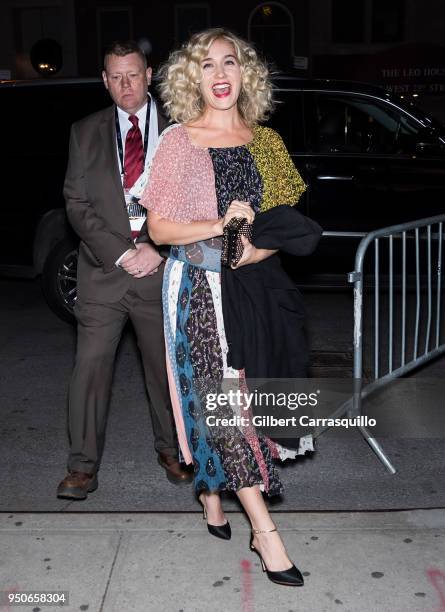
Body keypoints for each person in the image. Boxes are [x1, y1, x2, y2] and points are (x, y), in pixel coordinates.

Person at [135, 28, 322, 586]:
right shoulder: (179, 141)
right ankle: (267, 535)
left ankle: (211, 493)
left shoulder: (267, 142)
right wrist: (219, 225)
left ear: (247, 73)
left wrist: (258, 246)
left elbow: (288, 221)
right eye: (207, 64)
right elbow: (161, 228)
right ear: (192, 77)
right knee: (224, 410)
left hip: (257, 291)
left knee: (255, 404)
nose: (220, 73)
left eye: (230, 62)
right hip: (196, 288)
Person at [57, 40, 192, 500]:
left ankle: (173, 449)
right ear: (104, 80)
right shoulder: (85, 131)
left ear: (149, 74)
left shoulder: (179, 128)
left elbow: (193, 200)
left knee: (164, 369)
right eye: (115, 76)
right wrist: (121, 252)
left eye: (132, 74)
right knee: (89, 369)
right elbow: (76, 205)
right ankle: (81, 467)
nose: (125, 85)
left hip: (161, 270)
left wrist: (155, 245)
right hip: (102, 273)